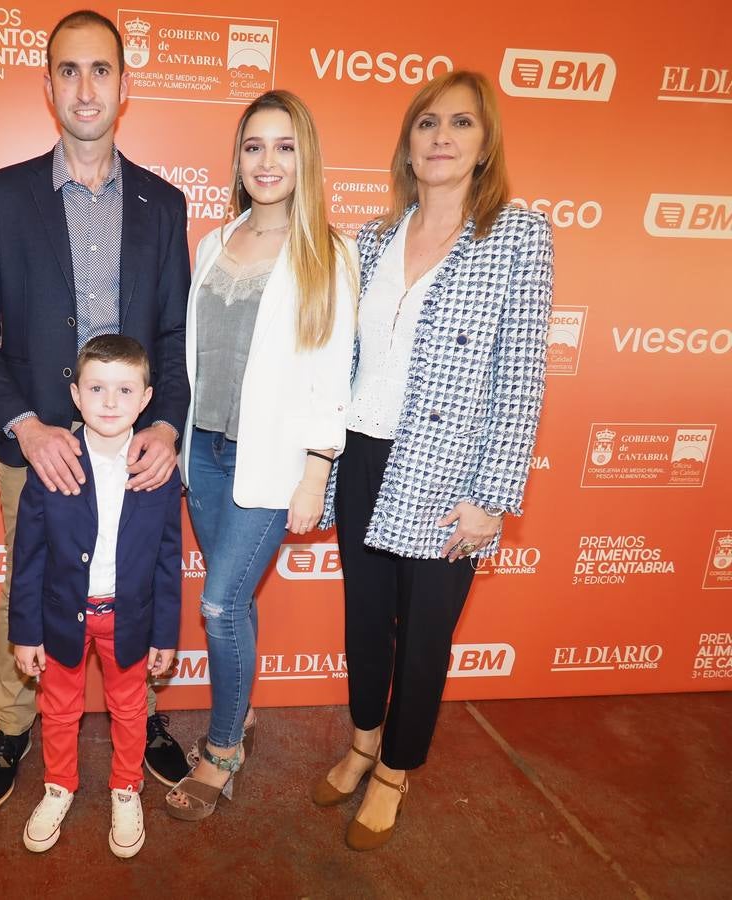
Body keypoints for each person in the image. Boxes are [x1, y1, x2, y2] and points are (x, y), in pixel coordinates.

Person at [0, 9, 191, 812]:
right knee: (29, 587)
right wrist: (25, 421)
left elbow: (173, 332)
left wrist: (165, 425)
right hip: (41, 445)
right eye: (67, 70)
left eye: (100, 70)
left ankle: (146, 719)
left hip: (138, 447)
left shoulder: (162, 203)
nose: (84, 87)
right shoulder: (5, 194)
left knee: (134, 582)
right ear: (47, 84)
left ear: (125, 87)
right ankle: (15, 729)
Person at [310, 70, 554, 850]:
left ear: (485, 147)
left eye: (460, 125)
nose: (441, 138)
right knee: (363, 621)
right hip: (366, 457)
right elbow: (344, 361)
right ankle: (360, 743)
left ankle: (395, 770)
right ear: (407, 143)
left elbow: (520, 375)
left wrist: (493, 496)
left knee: (423, 634)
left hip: (449, 474)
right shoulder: (375, 238)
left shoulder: (518, 235)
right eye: (427, 124)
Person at [165, 90, 357, 821]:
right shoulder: (216, 242)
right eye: (253, 146)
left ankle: (222, 750)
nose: (267, 161)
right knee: (235, 601)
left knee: (216, 603)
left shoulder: (328, 251)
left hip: (273, 464)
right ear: (237, 159)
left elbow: (331, 366)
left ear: (304, 157)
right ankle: (238, 711)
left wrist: (316, 471)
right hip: (207, 454)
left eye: (283, 146)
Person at [9, 335, 182, 858]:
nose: (110, 402)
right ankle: (59, 784)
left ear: (146, 398)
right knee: (59, 709)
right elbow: (29, 557)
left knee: (130, 710)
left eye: (125, 389)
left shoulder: (158, 471)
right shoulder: (52, 464)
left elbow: (168, 561)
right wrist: (25, 633)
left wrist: (164, 634)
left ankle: (126, 787)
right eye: (97, 388)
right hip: (62, 616)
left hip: (128, 618)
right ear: (76, 395)